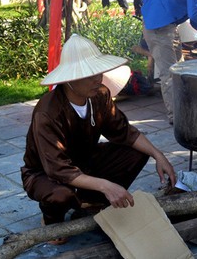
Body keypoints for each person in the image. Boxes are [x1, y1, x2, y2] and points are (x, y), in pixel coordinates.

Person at [21, 34, 176, 239]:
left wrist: (159, 155)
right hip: (46, 173)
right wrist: (106, 185)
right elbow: (57, 169)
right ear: (70, 79)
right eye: (89, 75)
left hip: (85, 160)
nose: (98, 79)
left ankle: (91, 200)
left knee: (136, 152)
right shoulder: (48, 111)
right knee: (60, 196)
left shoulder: (100, 95)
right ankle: (51, 221)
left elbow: (124, 132)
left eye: (98, 72)